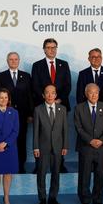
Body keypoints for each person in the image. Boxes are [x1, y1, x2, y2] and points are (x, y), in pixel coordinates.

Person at [31, 38, 72, 173]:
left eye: (54, 47)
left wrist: (58, 100)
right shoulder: (37, 65)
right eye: (48, 47)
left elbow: (68, 85)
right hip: (42, 107)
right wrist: (47, 100)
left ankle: (60, 164)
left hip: (60, 105)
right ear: (44, 49)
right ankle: (39, 165)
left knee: (59, 134)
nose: (51, 50)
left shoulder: (64, 64)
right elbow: (35, 86)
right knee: (41, 134)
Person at [74, 83, 103, 204]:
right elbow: (78, 128)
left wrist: (101, 140)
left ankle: (98, 198)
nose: (94, 95)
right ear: (86, 94)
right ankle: (85, 199)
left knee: (100, 173)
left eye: (96, 92)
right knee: (84, 173)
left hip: (101, 147)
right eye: (91, 92)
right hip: (86, 146)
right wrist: (90, 140)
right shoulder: (79, 108)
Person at [0, 52, 33, 173]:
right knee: (6, 138)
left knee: (21, 139)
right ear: (7, 61)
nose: (13, 61)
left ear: (19, 61)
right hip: (5, 115)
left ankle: (21, 165)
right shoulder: (1, 76)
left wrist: (31, 114)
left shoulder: (26, 76)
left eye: (16, 59)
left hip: (22, 115)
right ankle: (7, 164)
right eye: (11, 59)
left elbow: (30, 96)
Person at [33, 84, 69, 204]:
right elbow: (36, 131)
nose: (49, 95)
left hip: (58, 147)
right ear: (43, 95)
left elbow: (65, 129)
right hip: (43, 148)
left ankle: (53, 198)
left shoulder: (62, 109)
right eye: (47, 93)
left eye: (52, 93)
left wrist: (65, 146)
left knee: (56, 173)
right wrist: (36, 147)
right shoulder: (38, 110)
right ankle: (42, 198)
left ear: (55, 95)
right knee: (41, 173)